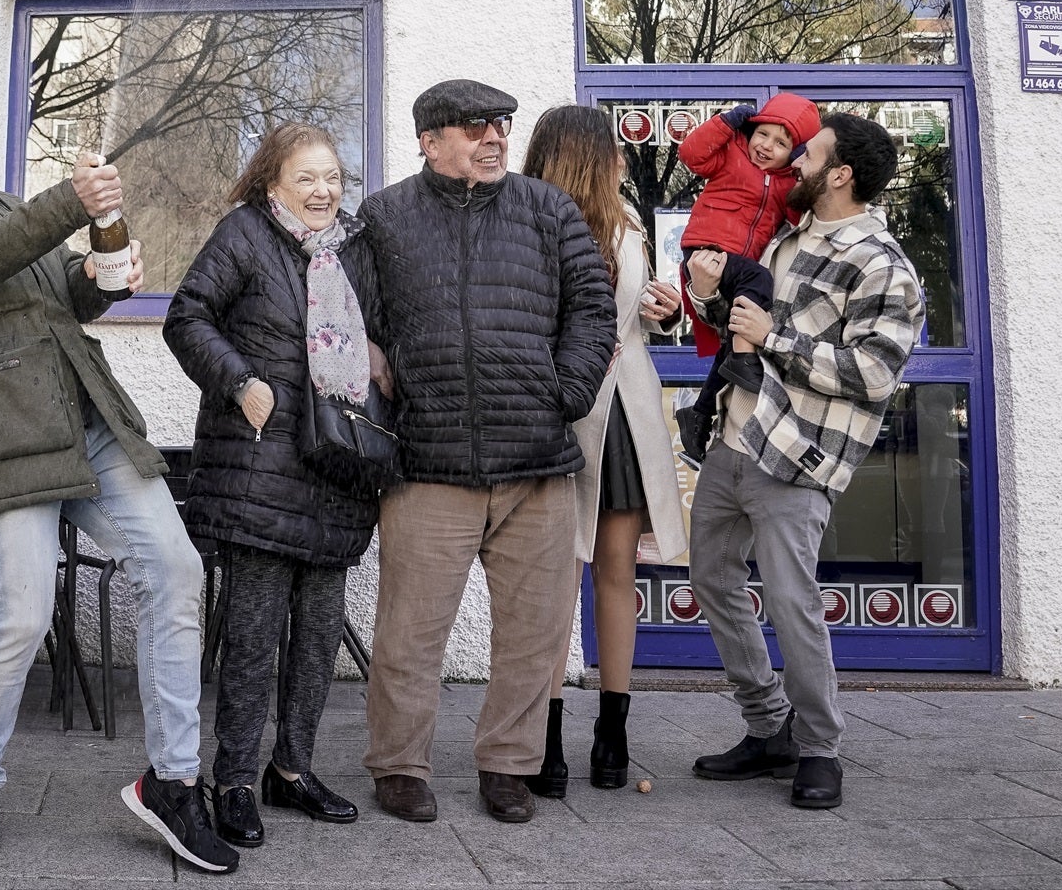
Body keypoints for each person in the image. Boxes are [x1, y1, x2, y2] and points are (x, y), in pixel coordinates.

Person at [0, 96, 236, 875]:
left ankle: (173, 781)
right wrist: (71, 200)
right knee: (20, 617)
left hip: (86, 415)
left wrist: (101, 272)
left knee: (174, 567)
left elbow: (64, 288)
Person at [357, 80, 617, 826]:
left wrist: (565, 391)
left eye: (500, 125)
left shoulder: (547, 209)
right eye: (473, 128)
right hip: (428, 460)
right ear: (429, 140)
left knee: (535, 633)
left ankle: (509, 764)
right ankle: (399, 765)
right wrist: (382, 363)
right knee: (410, 632)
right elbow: (351, 312)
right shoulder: (385, 216)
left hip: (536, 462)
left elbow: (592, 308)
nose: (495, 137)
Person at [685, 114, 922, 811]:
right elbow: (739, 320)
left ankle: (820, 749)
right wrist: (705, 296)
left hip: (796, 458)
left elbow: (877, 371)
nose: (793, 165)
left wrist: (776, 337)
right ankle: (768, 728)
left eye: (809, 154)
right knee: (712, 580)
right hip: (733, 441)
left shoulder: (880, 261)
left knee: (792, 603)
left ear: (840, 174)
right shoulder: (788, 238)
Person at [164, 123, 390, 849]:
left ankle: (290, 770)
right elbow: (186, 315)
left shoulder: (356, 248)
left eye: (332, 178)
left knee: (319, 636)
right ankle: (232, 778)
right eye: (307, 180)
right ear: (273, 186)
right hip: (261, 469)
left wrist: (382, 360)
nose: (323, 192)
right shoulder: (245, 235)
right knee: (255, 637)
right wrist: (237, 380)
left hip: (337, 468)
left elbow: (380, 330)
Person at [519, 105, 688, 795]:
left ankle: (555, 746)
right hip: (598, 411)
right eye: (612, 150)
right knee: (607, 577)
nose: (622, 157)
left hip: (592, 411)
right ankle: (604, 744)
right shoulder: (606, 224)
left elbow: (639, 313)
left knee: (566, 580)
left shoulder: (537, 222)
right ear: (591, 157)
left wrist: (666, 310)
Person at [673, 94, 822, 462]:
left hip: (735, 267)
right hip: (708, 250)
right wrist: (725, 123)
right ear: (750, 130)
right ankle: (744, 359)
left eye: (782, 143)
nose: (767, 146)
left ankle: (700, 413)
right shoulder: (732, 153)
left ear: (795, 151)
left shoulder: (786, 182)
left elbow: (798, 215)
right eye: (763, 134)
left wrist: (806, 171)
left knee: (733, 337)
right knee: (758, 287)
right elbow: (691, 154)